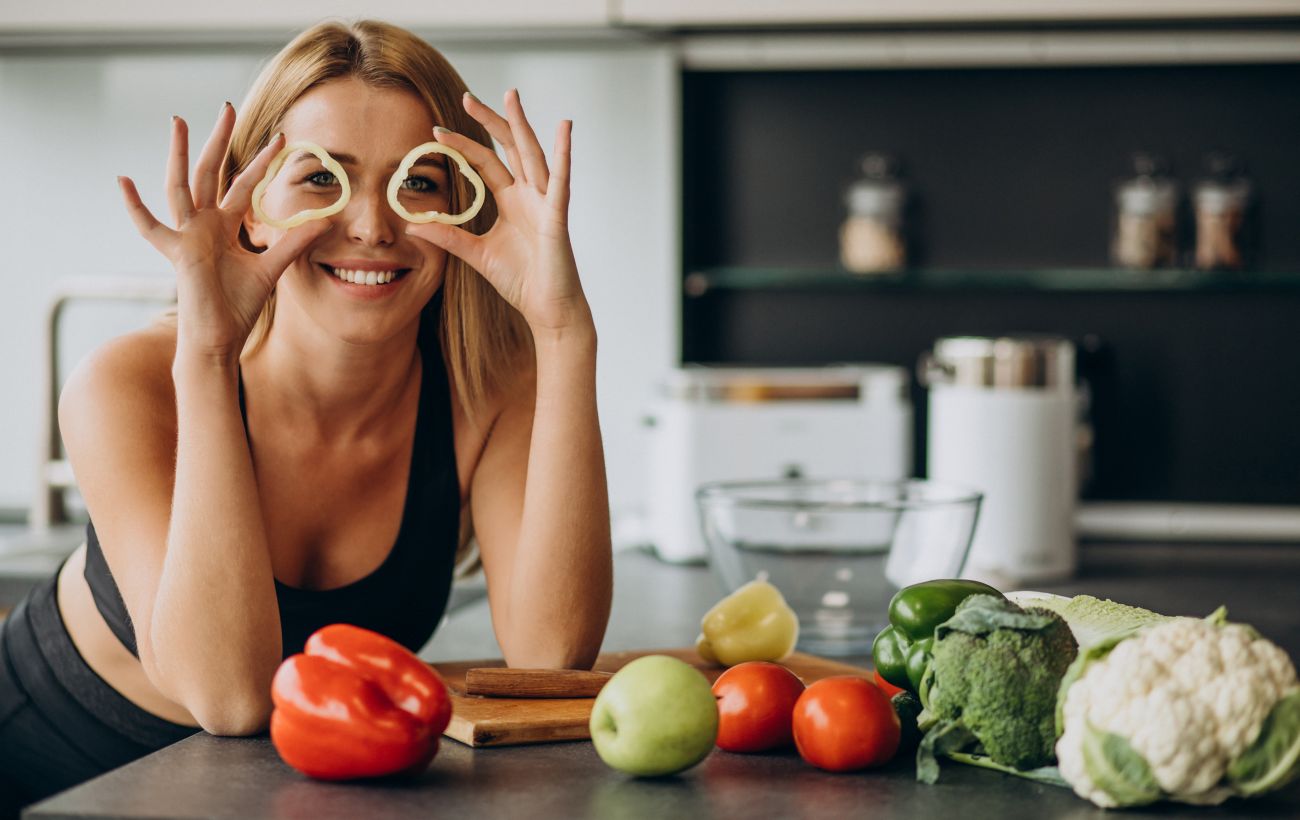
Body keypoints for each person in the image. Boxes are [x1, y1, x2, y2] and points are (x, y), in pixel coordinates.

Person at [0, 18, 612, 815]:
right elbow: (229, 699)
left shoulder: (487, 389)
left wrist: (564, 334)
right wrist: (208, 352)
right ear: (250, 209)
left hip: (276, 792)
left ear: (461, 215)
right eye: (322, 178)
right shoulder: (129, 382)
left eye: (417, 182)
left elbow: (553, 659)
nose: (370, 225)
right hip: (47, 767)